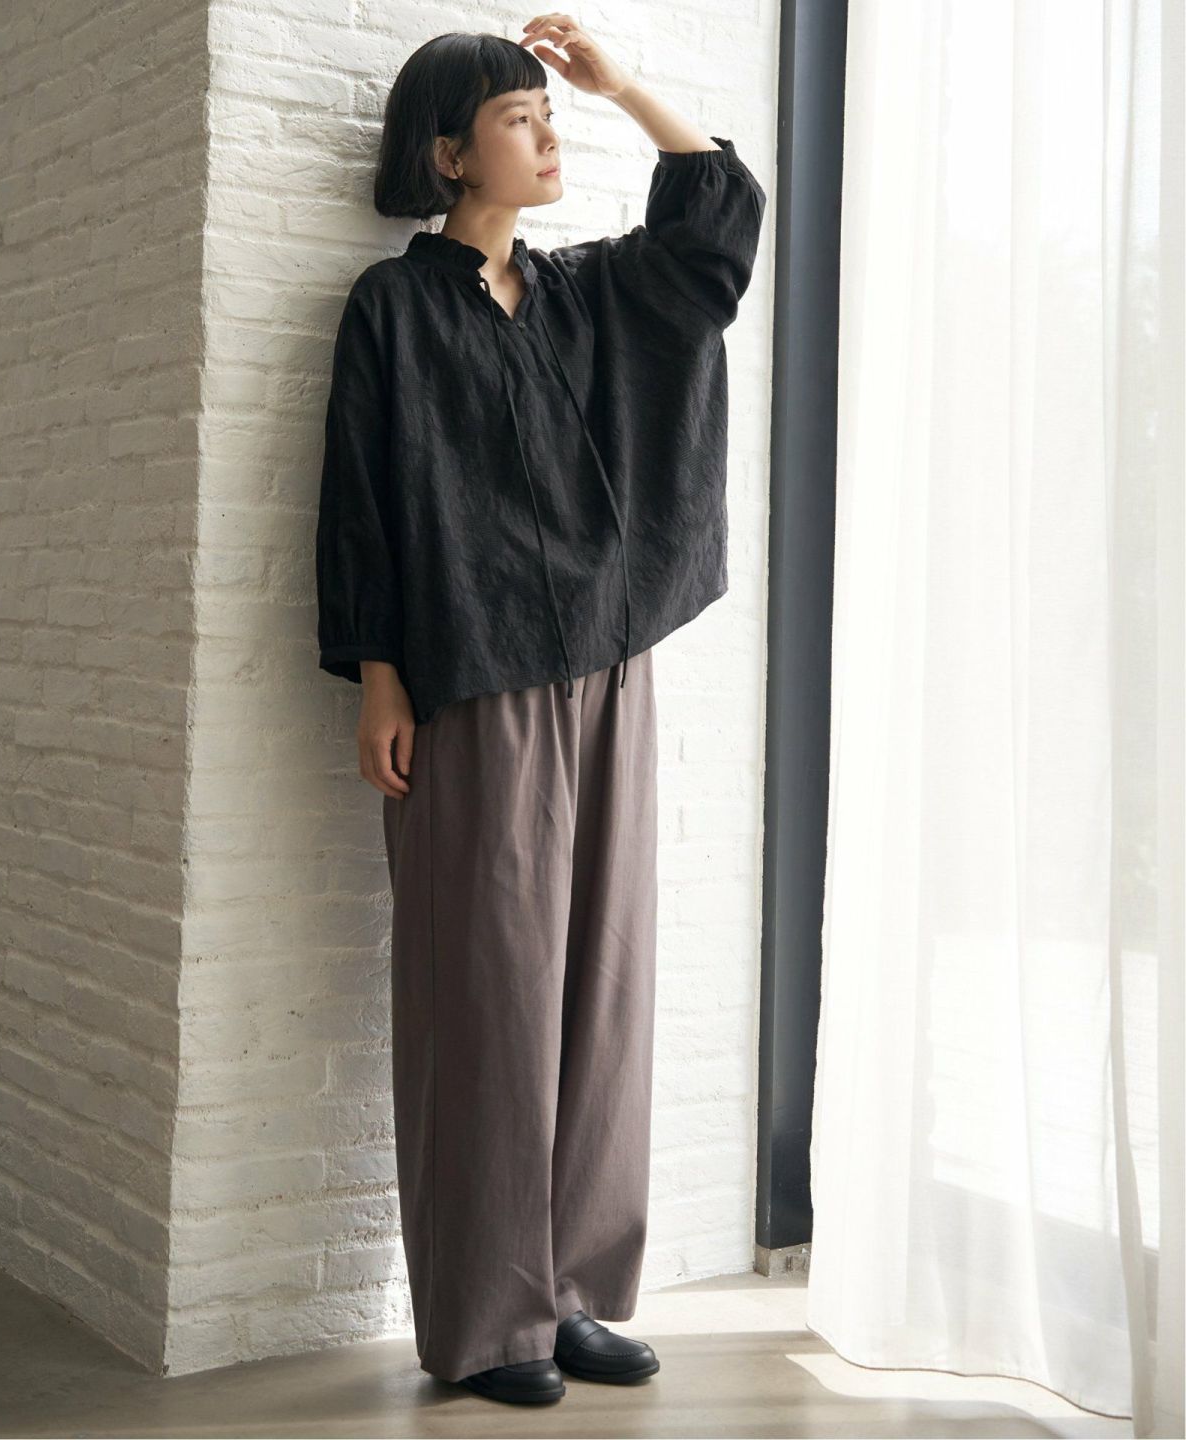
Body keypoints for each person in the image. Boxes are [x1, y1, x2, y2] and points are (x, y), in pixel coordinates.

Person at [314, 13, 766, 1407]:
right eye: (522, 118)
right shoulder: (393, 310)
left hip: (608, 674)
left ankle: (572, 1294)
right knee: (486, 996)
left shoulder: (585, 292)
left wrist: (618, 86)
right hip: (473, 680)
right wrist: (379, 676)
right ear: (450, 154)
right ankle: (488, 1320)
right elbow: (362, 499)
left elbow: (716, 233)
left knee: (600, 992)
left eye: (548, 115)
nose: (549, 135)